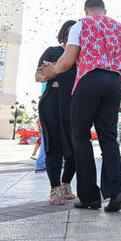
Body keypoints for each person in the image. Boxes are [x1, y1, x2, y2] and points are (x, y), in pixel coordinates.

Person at [37, 0, 121, 212]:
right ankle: (116, 192)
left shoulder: (81, 25)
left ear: (86, 11)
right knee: (109, 137)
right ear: (105, 11)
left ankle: (89, 197)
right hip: (113, 83)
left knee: (81, 136)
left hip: (88, 80)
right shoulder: (118, 26)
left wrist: (52, 71)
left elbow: (67, 62)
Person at [35, 20, 78, 205]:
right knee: (55, 144)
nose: (71, 36)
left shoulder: (82, 56)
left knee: (77, 145)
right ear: (63, 35)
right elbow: (39, 76)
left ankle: (65, 183)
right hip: (53, 101)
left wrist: (54, 72)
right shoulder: (53, 51)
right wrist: (50, 75)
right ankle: (54, 189)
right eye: (68, 33)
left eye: (75, 33)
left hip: (75, 103)